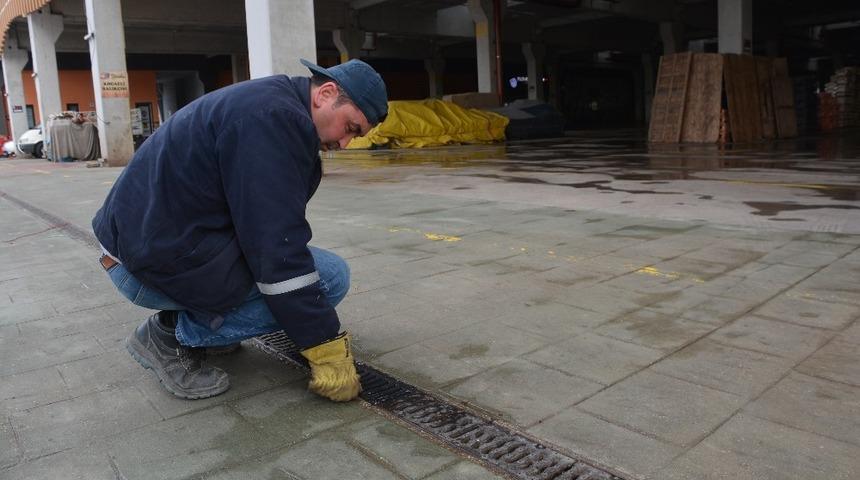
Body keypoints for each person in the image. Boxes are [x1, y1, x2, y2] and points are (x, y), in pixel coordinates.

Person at [92, 58, 388, 402]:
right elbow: (276, 248)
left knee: (311, 275)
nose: (346, 144)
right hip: (145, 264)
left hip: (153, 243)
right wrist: (324, 346)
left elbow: (263, 227)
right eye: (350, 127)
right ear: (325, 93)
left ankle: (210, 328)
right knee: (330, 278)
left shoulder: (271, 105)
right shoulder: (274, 122)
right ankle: (171, 335)